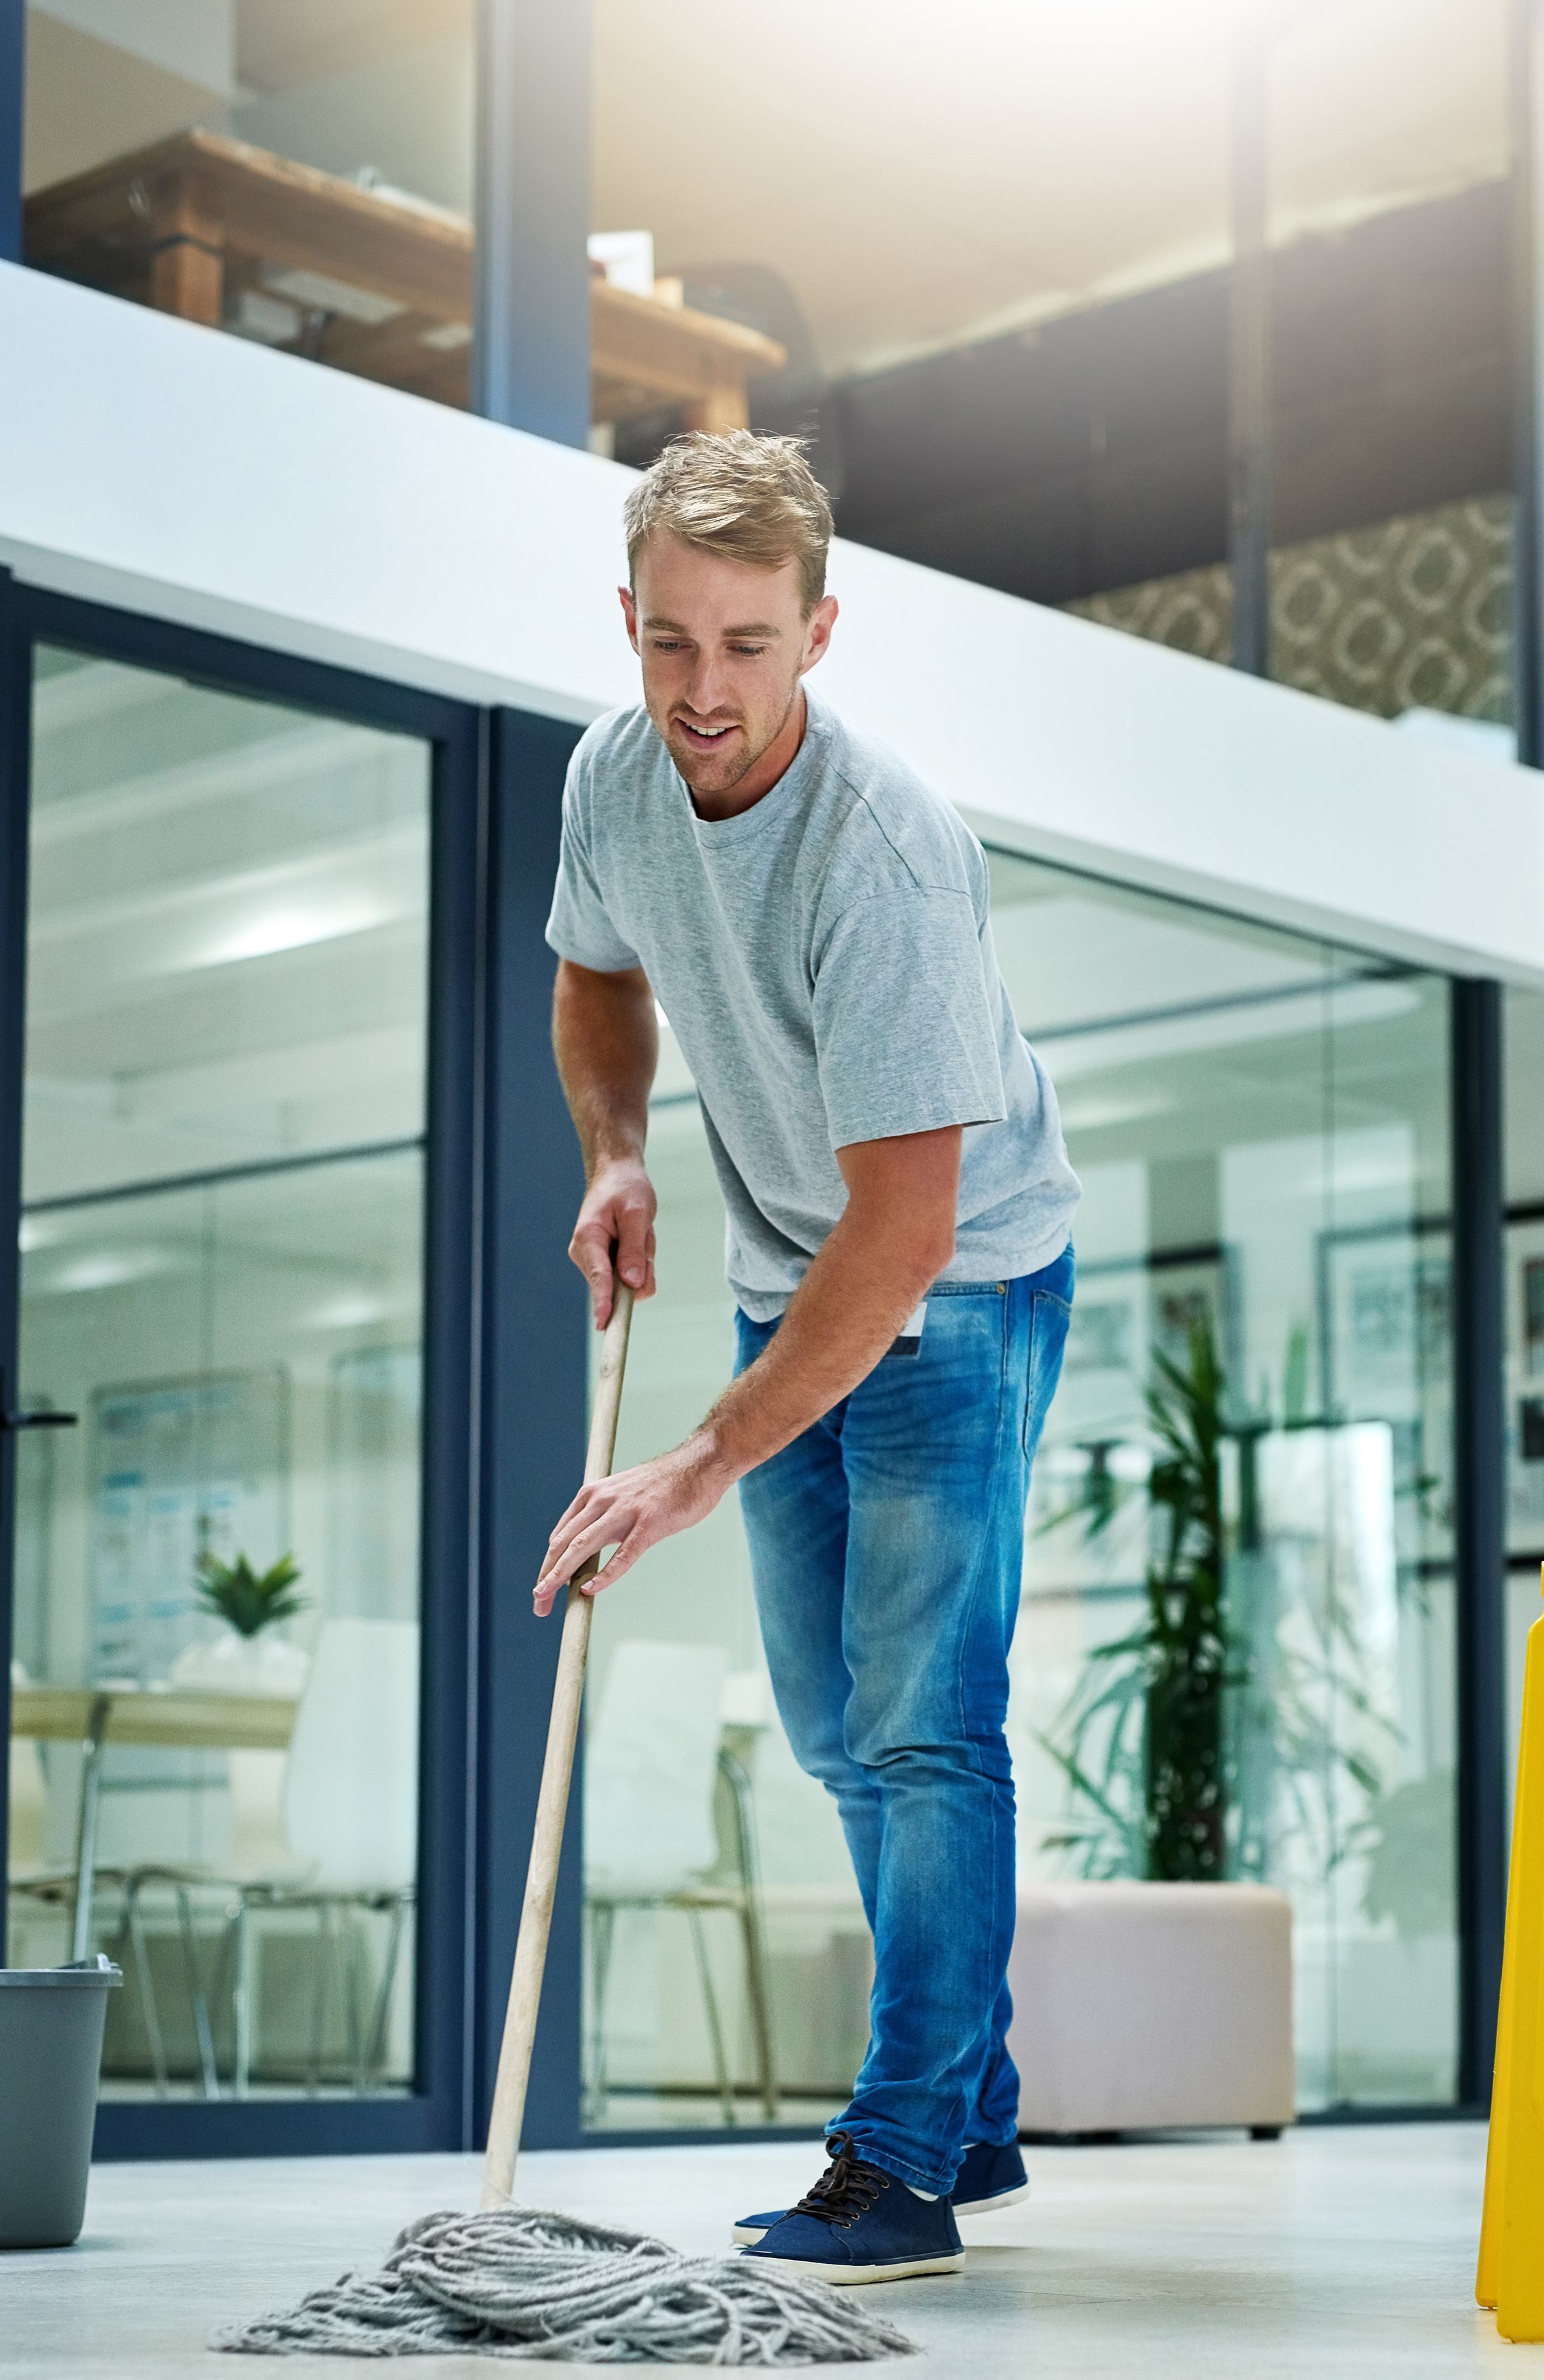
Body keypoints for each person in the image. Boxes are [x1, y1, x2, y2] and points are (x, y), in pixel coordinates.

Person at [534, 430, 1080, 2284]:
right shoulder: (616, 777)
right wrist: (616, 1152)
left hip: (963, 1285)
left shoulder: (883, 857)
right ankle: (971, 2105)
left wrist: (700, 1460)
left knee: (925, 1723)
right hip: (793, 1269)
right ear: (629, 620)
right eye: (670, 640)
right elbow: (597, 973)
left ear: (819, 635)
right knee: (839, 1728)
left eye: (748, 645)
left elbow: (908, 1233)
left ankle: (903, 2159)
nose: (705, 690)